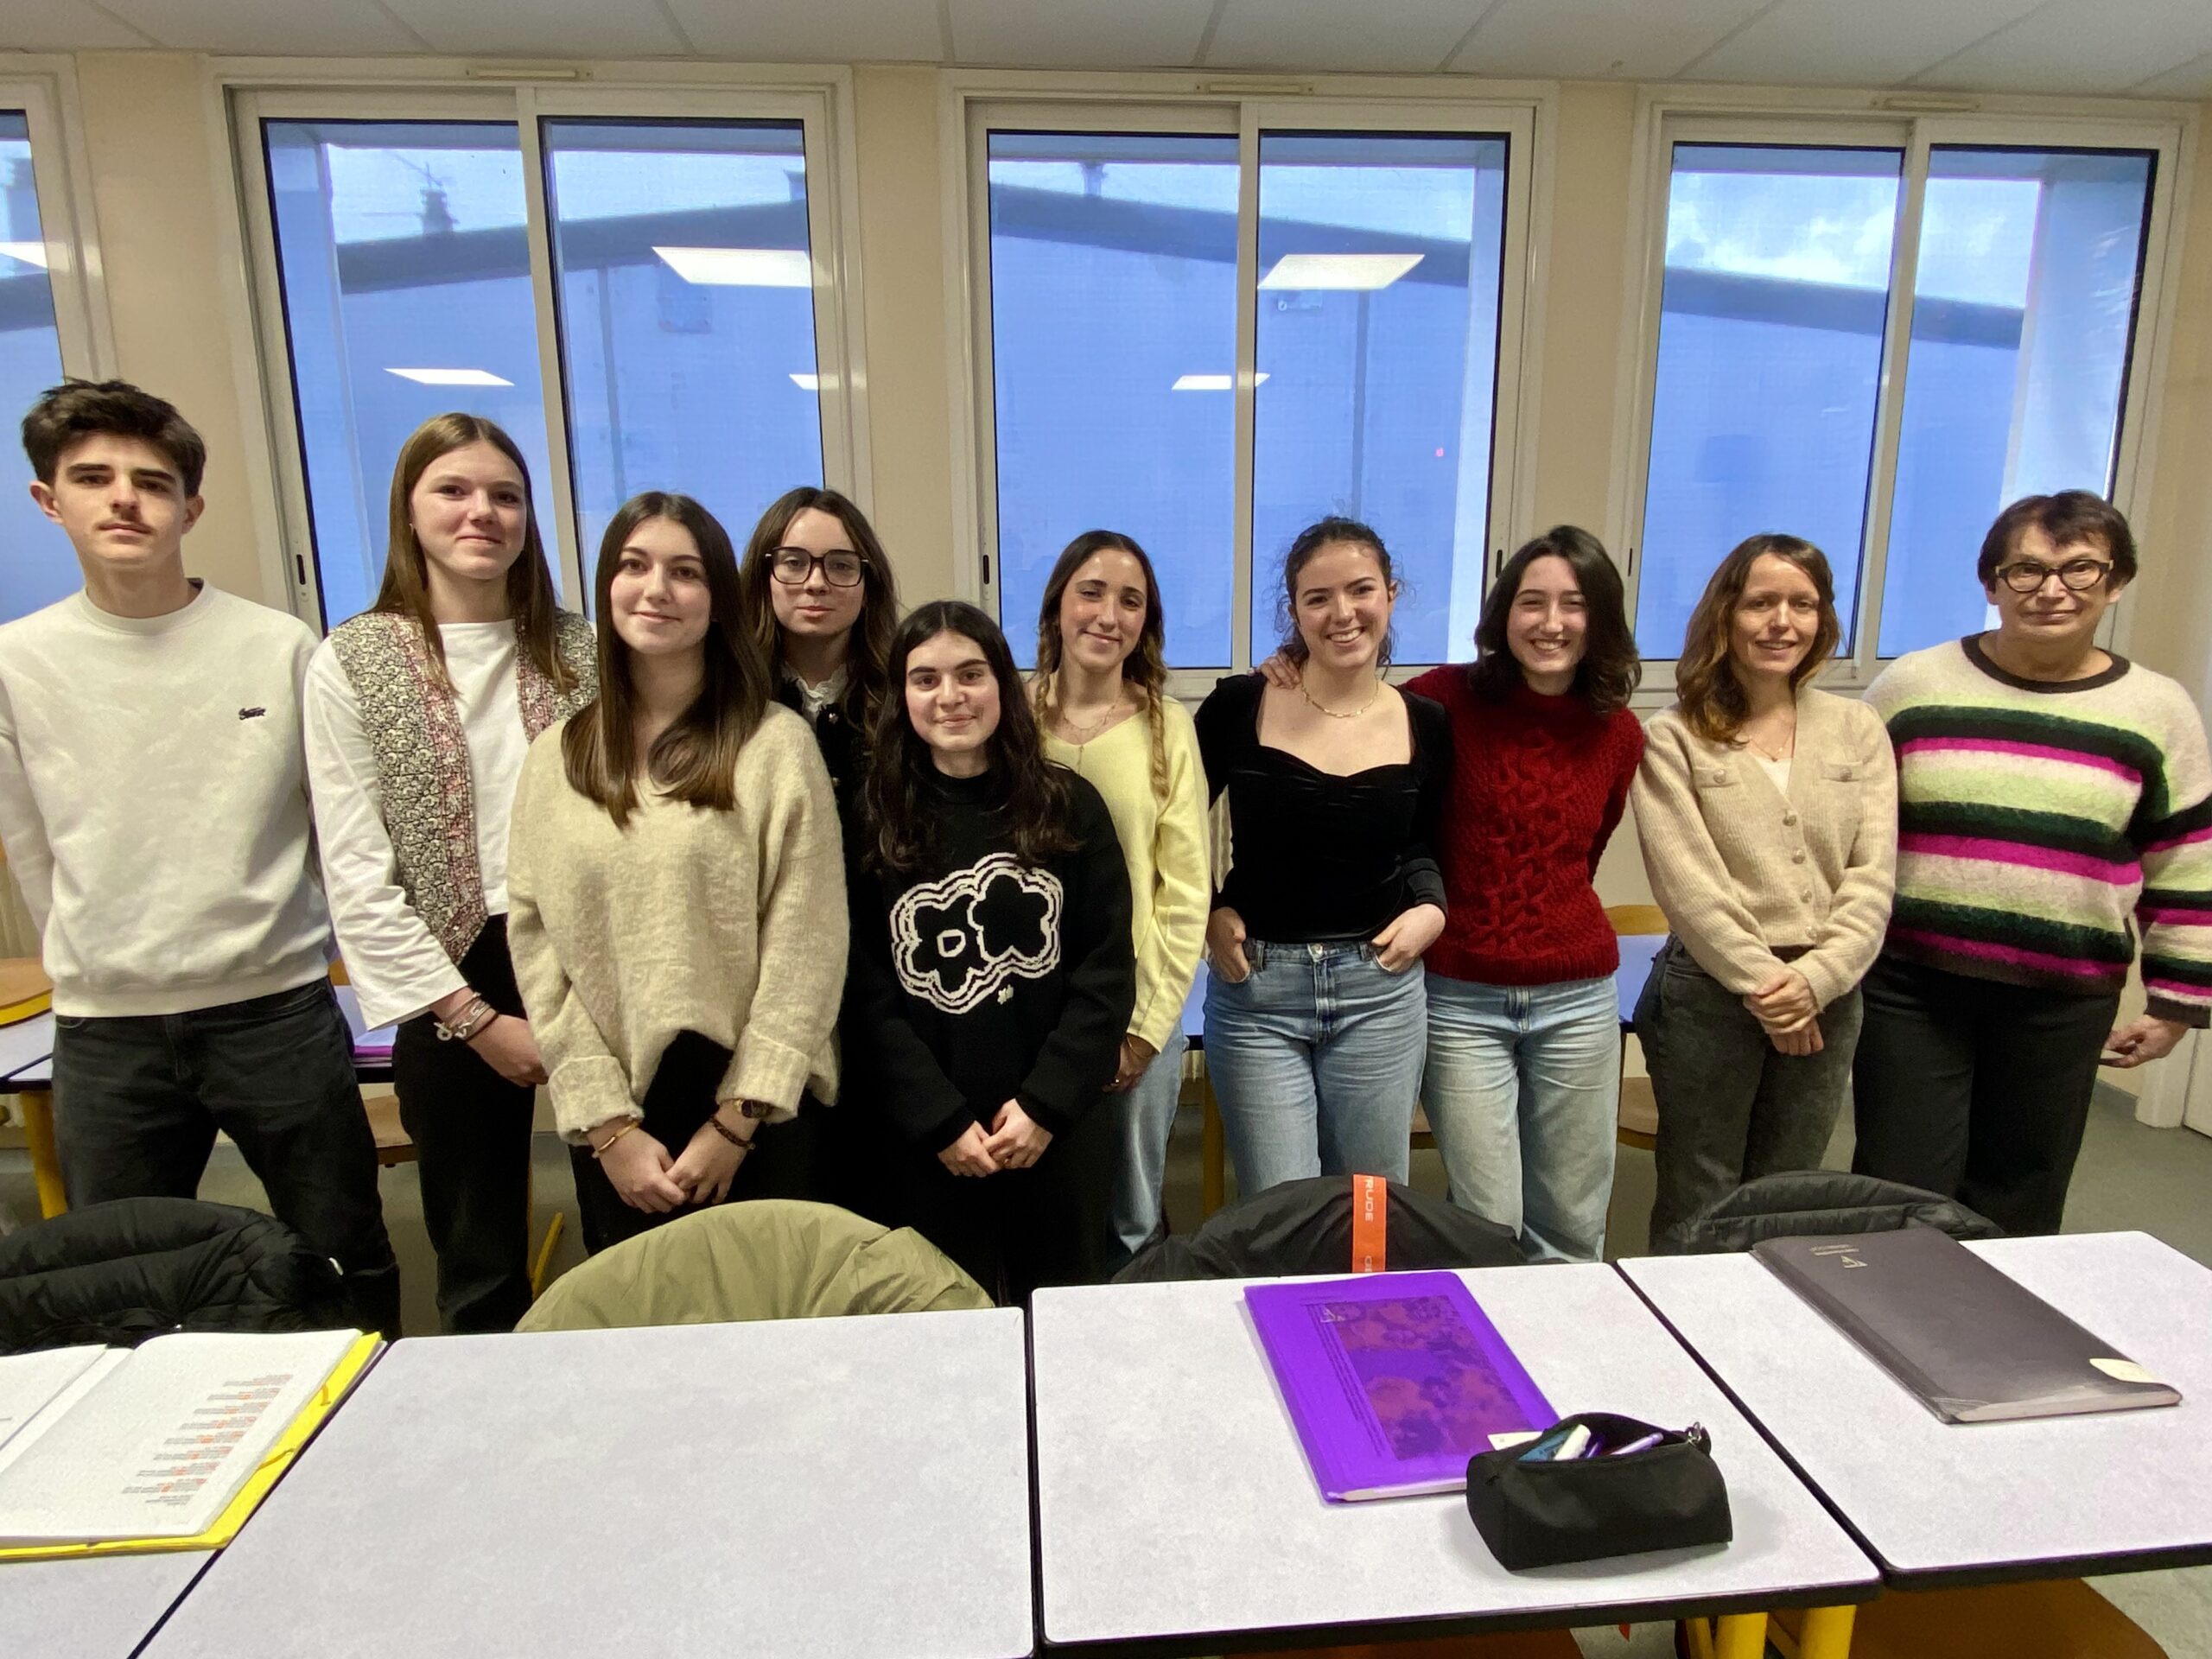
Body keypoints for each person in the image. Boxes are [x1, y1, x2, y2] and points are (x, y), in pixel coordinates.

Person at [0, 379, 398, 1333]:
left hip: (276, 1010)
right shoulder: (18, 662)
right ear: (49, 501)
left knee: (343, 1251)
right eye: (93, 479)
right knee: (118, 1281)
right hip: (108, 1029)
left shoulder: (277, 646)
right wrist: (97, 957)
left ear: (192, 507)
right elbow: (31, 845)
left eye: (152, 481)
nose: (124, 500)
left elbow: (331, 828)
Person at [1268, 528, 1644, 1261]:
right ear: (1504, 613)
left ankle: (1563, 1333)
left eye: (1573, 604)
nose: (1551, 622)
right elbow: (1347, 711)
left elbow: (1586, 853)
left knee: (1572, 1221)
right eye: (1531, 602)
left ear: (1599, 616)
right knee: (1486, 1220)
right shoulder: (1441, 700)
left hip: (1577, 1000)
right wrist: (1287, 667)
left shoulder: (1619, 731)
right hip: (1459, 998)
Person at [1852, 493, 2211, 1235]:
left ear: (2116, 581)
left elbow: (2185, 862)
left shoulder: (2158, 710)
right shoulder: (1913, 686)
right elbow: (1848, 823)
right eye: (2026, 570)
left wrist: (2176, 1002)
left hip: (2063, 998)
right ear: (1991, 584)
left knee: (2020, 1195)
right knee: (1896, 1184)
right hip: (1912, 988)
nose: (2052, 590)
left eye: (2080, 568)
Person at [304, 413, 594, 1334]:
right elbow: (355, 870)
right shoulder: (354, 661)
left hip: (588, 958)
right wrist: (472, 1020)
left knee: (626, 1210)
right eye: (454, 491)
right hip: (448, 972)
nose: (482, 513)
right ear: (409, 509)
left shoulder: (583, 651)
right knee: (477, 1254)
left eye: (505, 495)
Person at [506, 493, 844, 1256]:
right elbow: (537, 946)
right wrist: (607, 1125)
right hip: (619, 1115)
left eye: (685, 572)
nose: (656, 589)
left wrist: (738, 1120)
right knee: (643, 1319)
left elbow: (808, 945)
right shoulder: (556, 758)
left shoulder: (775, 746)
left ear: (718, 598)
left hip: (756, 1110)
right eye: (634, 566)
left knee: (775, 1316)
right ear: (606, 586)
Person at [843, 600, 1134, 1300]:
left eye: (971, 674)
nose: (950, 696)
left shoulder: (1070, 806)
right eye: (926, 679)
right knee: (944, 1322)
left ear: (1004, 684)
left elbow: (1104, 974)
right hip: (931, 1138)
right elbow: (862, 993)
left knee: (1062, 1315)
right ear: (902, 697)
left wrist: (1044, 1107)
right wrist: (940, 1120)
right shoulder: (868, 821)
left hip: (1055, 1128)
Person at [1633, 534, 1896, 1244]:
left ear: (1823, 619)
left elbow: (1873, 875)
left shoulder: (1858, 728)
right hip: (1710, 994)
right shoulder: (1675, 735)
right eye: (1761, 603)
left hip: (1831, 990)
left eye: (1802, 605)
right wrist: (1769, 988)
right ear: (1726, 613)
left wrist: (1814, 981)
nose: (1782, 622)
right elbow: (1689, 885)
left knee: (1791, 1188)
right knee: (1701, 1188)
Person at [1198, 518, 1449, 1196]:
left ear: (1391, 595)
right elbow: (1173, 830)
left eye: (1360, 590)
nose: (1343, 613)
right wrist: (1208, 912)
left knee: (1369, 1213)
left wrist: (1432, 909)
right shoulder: (1240, 705)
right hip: (1258, 990)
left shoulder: (1426, 721)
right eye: (1318, 598)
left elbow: (1424, 843)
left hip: (1380, 991)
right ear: (1295, 611)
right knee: (1285, 1211)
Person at [1032, 531, 1208, 1259]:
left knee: (1129, 1219)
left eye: (1130, 601)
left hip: (1132, 1014)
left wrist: (1143, 1030)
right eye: (1092, 593)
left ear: (1147, 623)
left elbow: (1186, 891)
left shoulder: (1169, 728)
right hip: (1033, 1013)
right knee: (1044, 1207)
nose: (1108, 615)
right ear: (1058, 605)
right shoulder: (1012, 717)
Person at [735, 486, 900, 810]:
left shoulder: (903, 694)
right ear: (764, 579)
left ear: (868, 587)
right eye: (794, 563)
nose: (816, 583)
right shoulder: (730, 692)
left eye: (841, 566)